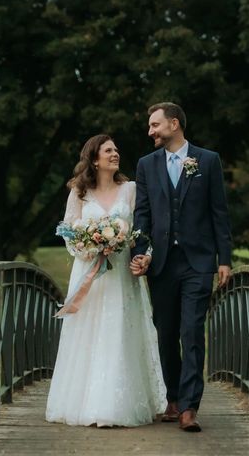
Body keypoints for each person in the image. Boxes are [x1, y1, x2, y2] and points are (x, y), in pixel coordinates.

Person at [46, 134, 165, 427]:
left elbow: (142, 230)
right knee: (88, 331)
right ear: (94, 158)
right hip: (89, 273)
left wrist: (136, 252)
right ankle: (85, 402)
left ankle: (115, 405)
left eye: (116, 150)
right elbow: (67, 232)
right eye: (108, 150)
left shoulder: (131, 190)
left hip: (122, 273)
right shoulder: (79, 192)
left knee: (120, 330)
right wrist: (90, 245)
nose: (115, 154)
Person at [130, 102, 232, 432]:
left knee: (191, 333)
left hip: (199, 262)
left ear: (174, 124)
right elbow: (142, 215)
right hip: (161, 264)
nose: (150, 131)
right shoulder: (146, 165)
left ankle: (189, 407)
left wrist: (225, 259)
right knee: (166, 334)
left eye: (155, 125)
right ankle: (172, 399)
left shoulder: (208, 160)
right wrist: (142, 250)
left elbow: (220, 213)